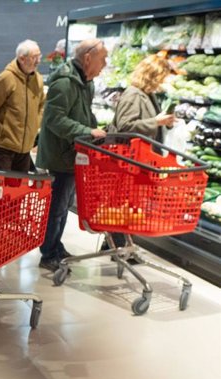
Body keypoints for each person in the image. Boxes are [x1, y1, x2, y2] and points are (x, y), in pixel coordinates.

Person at [35, 38, 109, 272]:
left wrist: (96, 130)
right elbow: (55, 119)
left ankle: (55, 246)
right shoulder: (65, 83)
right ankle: (48, 253)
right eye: (102, 59)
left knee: (64, 205)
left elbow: (82, 114)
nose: (104, 64)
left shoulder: (85, 82)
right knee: (56, 207)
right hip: (60, 155)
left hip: (74, 154)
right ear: (88, 58)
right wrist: (87, 132)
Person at [107, 55, 175, 254]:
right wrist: (156, 122)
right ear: (152, 75)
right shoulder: (133, 95)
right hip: (128, 159)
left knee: (130, 203)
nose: (162, 83)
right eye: (161, 77)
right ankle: (119, 245)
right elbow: (125, 126)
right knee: (123, 202)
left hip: (141, 159)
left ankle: (121, 244)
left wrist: (164, 122)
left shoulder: (147, 94)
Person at [0, 40, 45, 171]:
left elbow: (41, 105)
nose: (38, 61)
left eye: (39, 56)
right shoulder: (6, 79)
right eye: (34, 57)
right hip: (4, 145)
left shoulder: (38, 79)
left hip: (26, 147)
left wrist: (35, 125)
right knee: (4, 188)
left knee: (20, 188)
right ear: (21, 58)